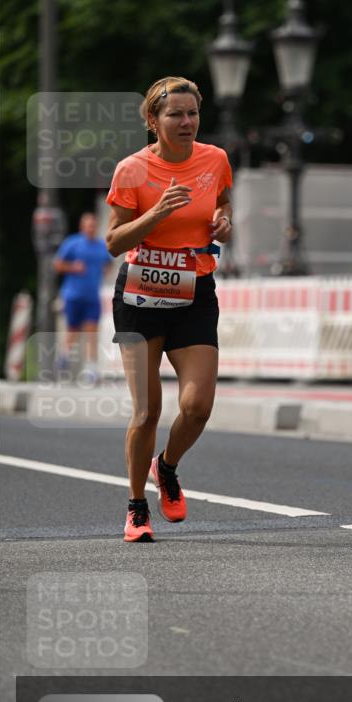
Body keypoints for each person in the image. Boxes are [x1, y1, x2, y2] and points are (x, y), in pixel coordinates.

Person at [106, 76, 233, 542]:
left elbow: (222, 206)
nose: (186, 122)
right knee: (146, 413)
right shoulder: (131, 170)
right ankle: (137, 506)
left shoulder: (215, 159)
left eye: (192, 113)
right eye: (175, 114)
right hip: (140, 296)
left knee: (197, 406)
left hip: (194, 291)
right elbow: (114, 242)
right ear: (153, 120)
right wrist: (156, 213)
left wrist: (224, 224)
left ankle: (168, 465)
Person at [53, 212, 112, 380]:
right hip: (73, 295)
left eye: (93, 225)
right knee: (73, 331)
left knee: (92, 332)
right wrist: (73, 267)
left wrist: (104, 271)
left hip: (92, 296)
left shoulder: (101, 245)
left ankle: (91, 369)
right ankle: (64, 360)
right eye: (88, 225)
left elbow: (108, 263)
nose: (91, 228)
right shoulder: (72, 243)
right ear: (82, 227)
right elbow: (57, 264)